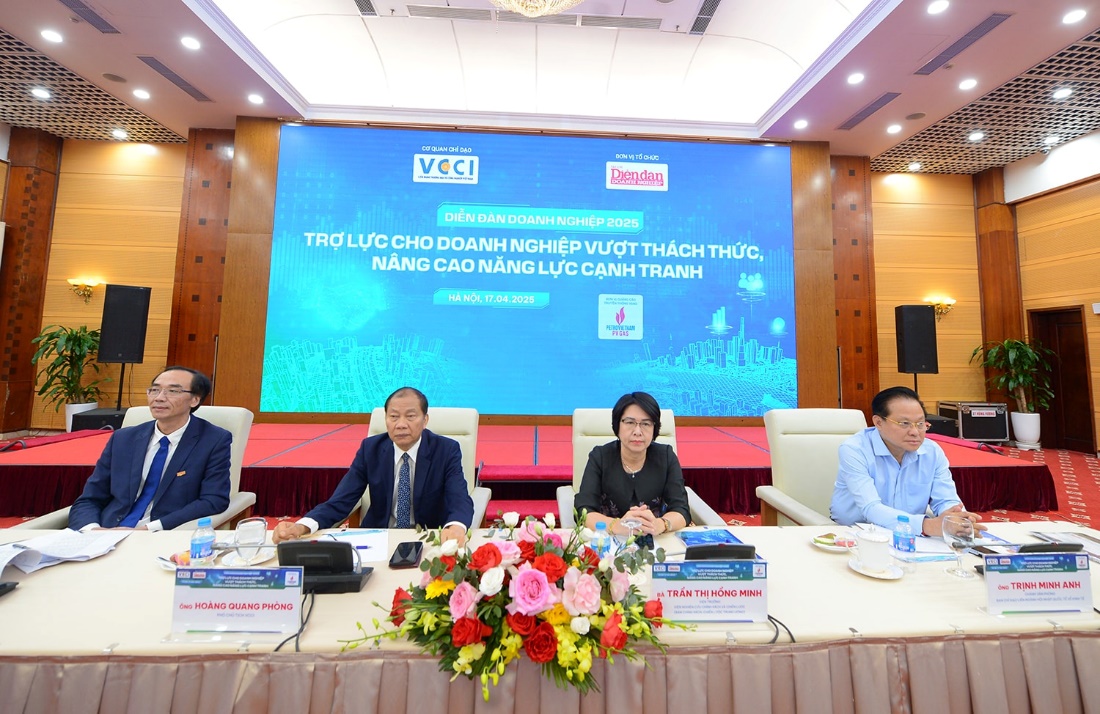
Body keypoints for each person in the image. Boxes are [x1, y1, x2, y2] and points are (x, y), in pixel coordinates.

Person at [272, 387, 473, 545]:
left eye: (411, 416)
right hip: (378, 538)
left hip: (427, 538)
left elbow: (459, 499)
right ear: (386, 419)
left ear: (425, 420)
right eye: (393, 416)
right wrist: (301, 526)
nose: (401, 424)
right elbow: (340, 500)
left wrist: (455, 527)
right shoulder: (371, 449)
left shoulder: (446, 450)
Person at [68, 367, 231, 531]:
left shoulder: (213, 440)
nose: (159, 398)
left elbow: (213, 500)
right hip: (107, 531)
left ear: (194, 400)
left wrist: (149, 529)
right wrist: (93, 530)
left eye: (173, 391)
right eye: (154, 390)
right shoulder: (123, 438)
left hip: (161, 534)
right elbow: (90, 498)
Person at [830, 385, 984, 537]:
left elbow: (946, 499)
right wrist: (927, 526)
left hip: (911, 535)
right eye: (904, 424)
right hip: (852, 533)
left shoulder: (932, 452)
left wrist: (958, 520)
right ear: (878, 422)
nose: (915, 432)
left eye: (920, 424)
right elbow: (871, 508)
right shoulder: (855, 450)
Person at [573, 391, 690, 538]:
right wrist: (617, 526)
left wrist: (660, 524)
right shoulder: (600, 457)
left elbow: (681, 510)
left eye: (646, 424)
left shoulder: (666, 457)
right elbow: (583, 510)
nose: (637, 431)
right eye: (629, 422)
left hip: (656, 540)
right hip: (608, 540)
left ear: (654, 428)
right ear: (617, 425)